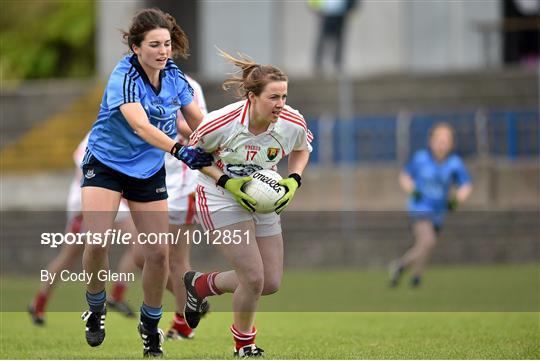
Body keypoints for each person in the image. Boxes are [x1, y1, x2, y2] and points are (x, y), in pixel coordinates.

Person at [80, 8, 212, 358]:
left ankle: (150, 326)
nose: (163, 51)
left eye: (167, 44)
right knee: (96, 242)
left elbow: (199, 123)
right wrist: (180, 150)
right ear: (136, 47)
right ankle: (95, 308)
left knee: (157, 253)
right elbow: (140, 126)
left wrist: (232, 145)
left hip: (148, 171)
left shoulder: (173, 76)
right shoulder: (123, 76)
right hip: (106, 165)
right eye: (155, 44)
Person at [182, 49, 313, 357]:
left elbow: (302, 147)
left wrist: (294, 179)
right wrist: (227, 181)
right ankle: (244, 345)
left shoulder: (291, 121)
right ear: (252, 97)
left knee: (270, 282)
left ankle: (201, 285)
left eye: (284, 96)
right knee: (253, 277)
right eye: (273, 97)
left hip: (261, 198)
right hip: (217, 196)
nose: (281, 104)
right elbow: (193, 156)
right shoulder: (220, 122)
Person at [28, 135, 137, 325]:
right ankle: (38, 302)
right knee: (68, 259)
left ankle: (117, 295)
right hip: (87, 199)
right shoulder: (97, 135)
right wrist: (81, 208)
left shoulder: (123, 132)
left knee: (140, 242)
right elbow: (85, 173)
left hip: (110, 198)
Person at [389, 122, 473, 288]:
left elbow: (466, 185)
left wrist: (457, 200)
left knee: (424, 245)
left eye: (446, 141)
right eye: (439, 140)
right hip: (420, 208)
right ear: (431, 142)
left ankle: (413, 275)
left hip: (439, 211)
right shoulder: (421, 158)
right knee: (428, 241)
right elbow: (405, 176)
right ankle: (403, 267)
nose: (442, 144)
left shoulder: (454, 163)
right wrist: (413, 191)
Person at [310, 0, 359, 73]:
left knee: (339, 39)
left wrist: (352, 7)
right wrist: (314, 6)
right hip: (325, 12)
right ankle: (318, 63)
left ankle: (337, 63)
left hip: (341, 12)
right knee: (323, 39)